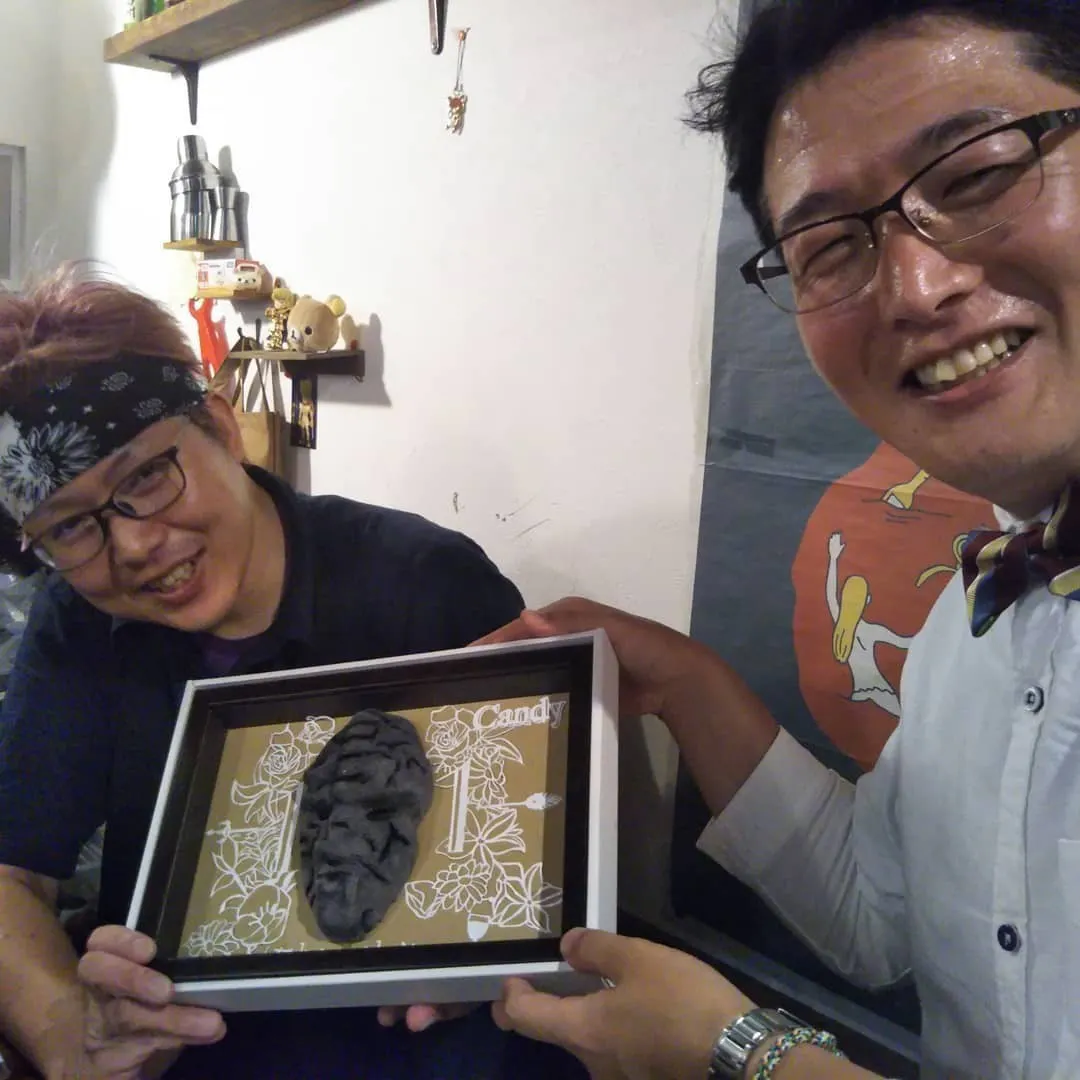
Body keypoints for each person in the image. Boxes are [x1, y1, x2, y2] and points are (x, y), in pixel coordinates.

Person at [490, 1, 1080, 1077]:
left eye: (979, 175)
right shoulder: (974, 618)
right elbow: (879, 917)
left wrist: (748, 1056)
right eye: (828, 246)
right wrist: (686, 683)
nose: (918, 287)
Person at [0, 266, 581, 1080]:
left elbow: (531, 870)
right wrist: (70, 1036)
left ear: (219, 426)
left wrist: (490, 957)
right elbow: (12, 872)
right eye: (70, 528)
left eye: (145, 477)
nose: (132, 545)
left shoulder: (425, 584)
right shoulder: (80, 621)